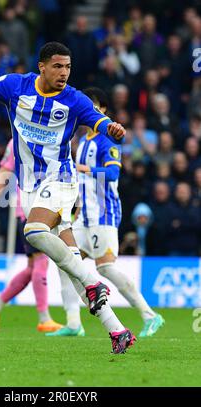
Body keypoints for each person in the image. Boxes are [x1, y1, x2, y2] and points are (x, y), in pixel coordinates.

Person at [0, 42, 135, 354]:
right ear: (42, 66)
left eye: (68, 67)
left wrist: (112, 129)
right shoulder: (16, 86)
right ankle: (118, 330)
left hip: (62, 180)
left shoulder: (75, 99)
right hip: (29, 187)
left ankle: (94, 282)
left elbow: (99, 122)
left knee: (33, 230)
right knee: (72, 268)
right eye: (58, 66)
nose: (64, 73)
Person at [48, 87, 164, 338]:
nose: (89, 111)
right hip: (84, 217)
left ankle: (150, 315)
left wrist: (83, 169)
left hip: (104, 214)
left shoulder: (107, 139)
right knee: (63, 260)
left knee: (106, 268)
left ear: (103, 111)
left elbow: (113, 174)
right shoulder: (84, 142)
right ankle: (73, 323)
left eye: (94, 106)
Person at [0, 139, 62, 333]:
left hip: (47, 207)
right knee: (41, 261)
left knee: (33, 267)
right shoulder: (17, 141)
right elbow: (1, 177)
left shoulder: (50, 134)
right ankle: (44, 318)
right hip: (29, 210)